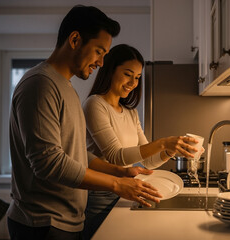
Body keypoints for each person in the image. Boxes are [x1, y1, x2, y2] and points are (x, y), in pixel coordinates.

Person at [7, 6, 162, 240]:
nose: (101, 62)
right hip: (43, 224)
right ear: (75, 39)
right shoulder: (40, 85)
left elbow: (75, 152)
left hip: (65, 221)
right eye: (99, 51)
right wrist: (116, 185)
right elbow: (48, 162)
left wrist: (118, 171)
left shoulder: (65, 87)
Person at [82, 44, 200, 239]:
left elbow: (148, 161)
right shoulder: (95, 104)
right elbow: (116, 156)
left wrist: (171, 150)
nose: (133, 82)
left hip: (128, 189)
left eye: (137, 77)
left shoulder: (131, 113)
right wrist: (163, 143)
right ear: (110, 70)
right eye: (128, 74)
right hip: (101, 194)